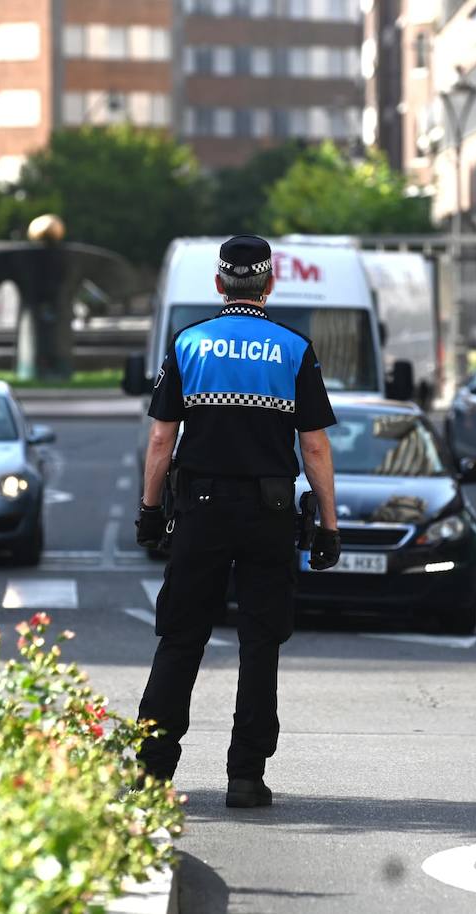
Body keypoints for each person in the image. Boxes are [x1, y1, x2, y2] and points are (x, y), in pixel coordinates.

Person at [134, 234, 342, 809]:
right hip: (268, 514)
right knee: (260, 643)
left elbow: (160, 438)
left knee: (180, 638)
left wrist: (150, 512)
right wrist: (328, 524)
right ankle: (245, 776)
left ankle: (153, 773)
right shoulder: (294, 349)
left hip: (198, 512)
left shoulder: (189, 344)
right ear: (270, 284)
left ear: (220, 284)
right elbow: (316, 448)